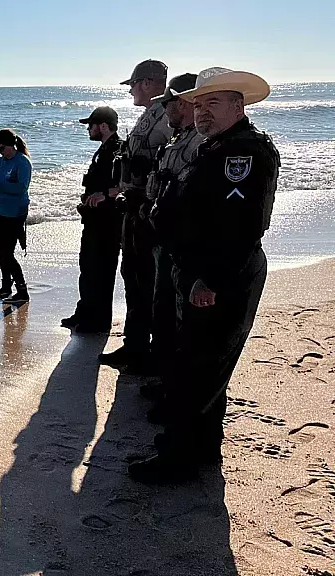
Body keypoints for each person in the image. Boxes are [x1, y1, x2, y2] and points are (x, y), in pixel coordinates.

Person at [128, 68, 280, 484]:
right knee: (201, 366)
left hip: (218, 274)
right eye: (198, 105)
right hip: (198, 268)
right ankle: (200, 449)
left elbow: (240, 227)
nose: (202, 113)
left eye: (213, 103)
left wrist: (208, 280)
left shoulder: (243, 154)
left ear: (238, 105)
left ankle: (180, 458)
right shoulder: (218, 147)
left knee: (197, 368)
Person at [99, 59, 173, 374]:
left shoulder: (166, 116)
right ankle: (135, 344)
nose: (131, 91)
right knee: (134, 277)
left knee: (146, 282)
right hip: (134, 207)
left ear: (145, 82)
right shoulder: (150, 116)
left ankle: (146, 351)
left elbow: (170, 164)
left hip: (147, 209)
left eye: (132, 85)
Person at [140, 73, 202, 409]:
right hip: (165, 238)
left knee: (179, 320)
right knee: (162, 311)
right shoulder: (179, 138)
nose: (166, 108)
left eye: (170, 102)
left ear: (186, 101)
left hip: (180, 243)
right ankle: (165, 381)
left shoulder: (198, 143)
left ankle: (174, 392)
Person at [61, 106, 123, 333]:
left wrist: (104, 194)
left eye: (91, 125)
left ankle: (98, 320)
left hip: (107, 222)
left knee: (102, 270)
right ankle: (84, 312)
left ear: (103, 126)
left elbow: (125, 183)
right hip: (94, 221)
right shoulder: (104, 150)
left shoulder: (118, 150)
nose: (89, 129)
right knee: (88, 267)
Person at [0, 129, 32, 303]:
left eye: (1, 148)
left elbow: (21, 188)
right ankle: (5, 287)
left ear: (11, 145)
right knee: (2, 251)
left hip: (16, 212)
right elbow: (0, 185)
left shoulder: (23, 162)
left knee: (7, 253)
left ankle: (22, 290)